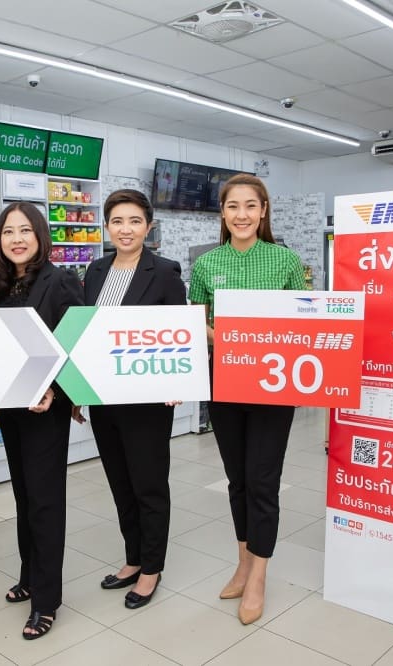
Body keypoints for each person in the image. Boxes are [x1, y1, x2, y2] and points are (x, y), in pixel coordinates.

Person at [188, 173, 304, 626]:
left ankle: (258, 575)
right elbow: (195, 320)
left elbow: (305, 321)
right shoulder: (205, 264)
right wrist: (228, 338)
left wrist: (260, 340)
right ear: (222, 212)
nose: (242, 215)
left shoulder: (285, 260)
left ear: (263, 211)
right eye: (233, 206)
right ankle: (243, 561)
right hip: (225, 381)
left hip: (274, 386)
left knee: (262, 480)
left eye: (250, 206)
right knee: (236, 479)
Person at [79, 189, 185, 609]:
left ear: (148, 226)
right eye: (118, 221)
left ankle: (152, 568)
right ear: (107, 226)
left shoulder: (165, 272)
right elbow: (87, 333)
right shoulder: (95, 270)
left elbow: (179, 333)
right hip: (104, 397)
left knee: (149, 485)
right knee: (120, 483)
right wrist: (78, 391)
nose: (126, 229)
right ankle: (133, 558)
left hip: (147, 401)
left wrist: (177, 382)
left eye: (135, 221)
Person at [0, 202, 83, 639]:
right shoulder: (4, 285)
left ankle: (46, 601)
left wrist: (56, 391)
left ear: (40, 235)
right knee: (24, 497)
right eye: (9, 231)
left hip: (47, 410)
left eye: (25, 230)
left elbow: (77, 345)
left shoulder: (60, 280)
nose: (17, 239)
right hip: (13, 408)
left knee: (45, 502)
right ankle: (29, 576)